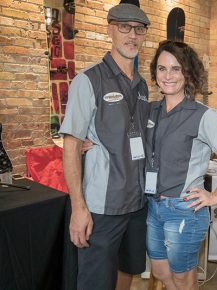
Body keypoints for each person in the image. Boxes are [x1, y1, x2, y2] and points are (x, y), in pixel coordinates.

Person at [59, 3, 151, 290]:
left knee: (129, 270)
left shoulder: (143, 85)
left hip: (137, 203)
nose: (132, 35)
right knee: (96, 282)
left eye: (139, 29)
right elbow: (71, 146)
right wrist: (79, 208)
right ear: (110, 29)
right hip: (102, 208)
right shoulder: (88, 81)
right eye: (125, 27)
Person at [145, 40, 217, 290]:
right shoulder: (150, 110)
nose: (168, 75)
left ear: (187, 73)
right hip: (153, 206)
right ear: (155, 73)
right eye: (162, 68)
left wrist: (216, 196)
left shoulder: (202, 115)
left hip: (184, 209)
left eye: (176, 69)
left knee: (183, 278)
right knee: (159, 270)